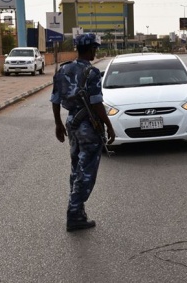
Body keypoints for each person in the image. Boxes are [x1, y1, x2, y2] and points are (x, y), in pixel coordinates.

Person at [50, 33, 115, 232]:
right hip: (88, 125)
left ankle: (78, 211)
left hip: (71, 123)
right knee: (86, 171)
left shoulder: (62, 70)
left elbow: (55, 99)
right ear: (90, 49)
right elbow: (96, 103)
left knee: (76, 167)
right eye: (95, 48)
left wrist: (58, 124)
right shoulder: (91, 72)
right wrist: (109, 125)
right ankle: (74, 214)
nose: (96, 51)